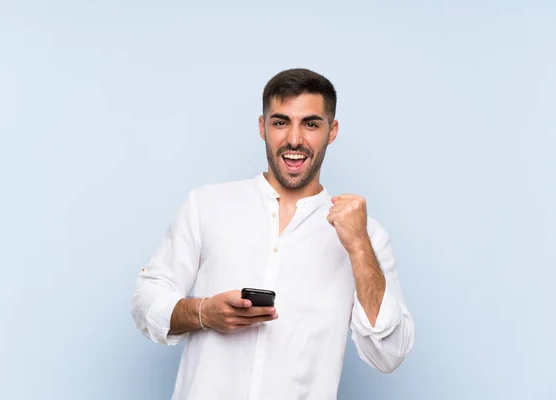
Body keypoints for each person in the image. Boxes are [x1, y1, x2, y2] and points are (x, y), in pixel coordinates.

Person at [130, 68, 415, 399]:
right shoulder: (206, 204)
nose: (294, 139)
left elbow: (390, 353)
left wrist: (359, 246)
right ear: (262, 127)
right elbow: (146, 301)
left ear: (332, 131)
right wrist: (204, 312)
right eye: (281, 122)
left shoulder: (366, 235)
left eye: (310, 124)